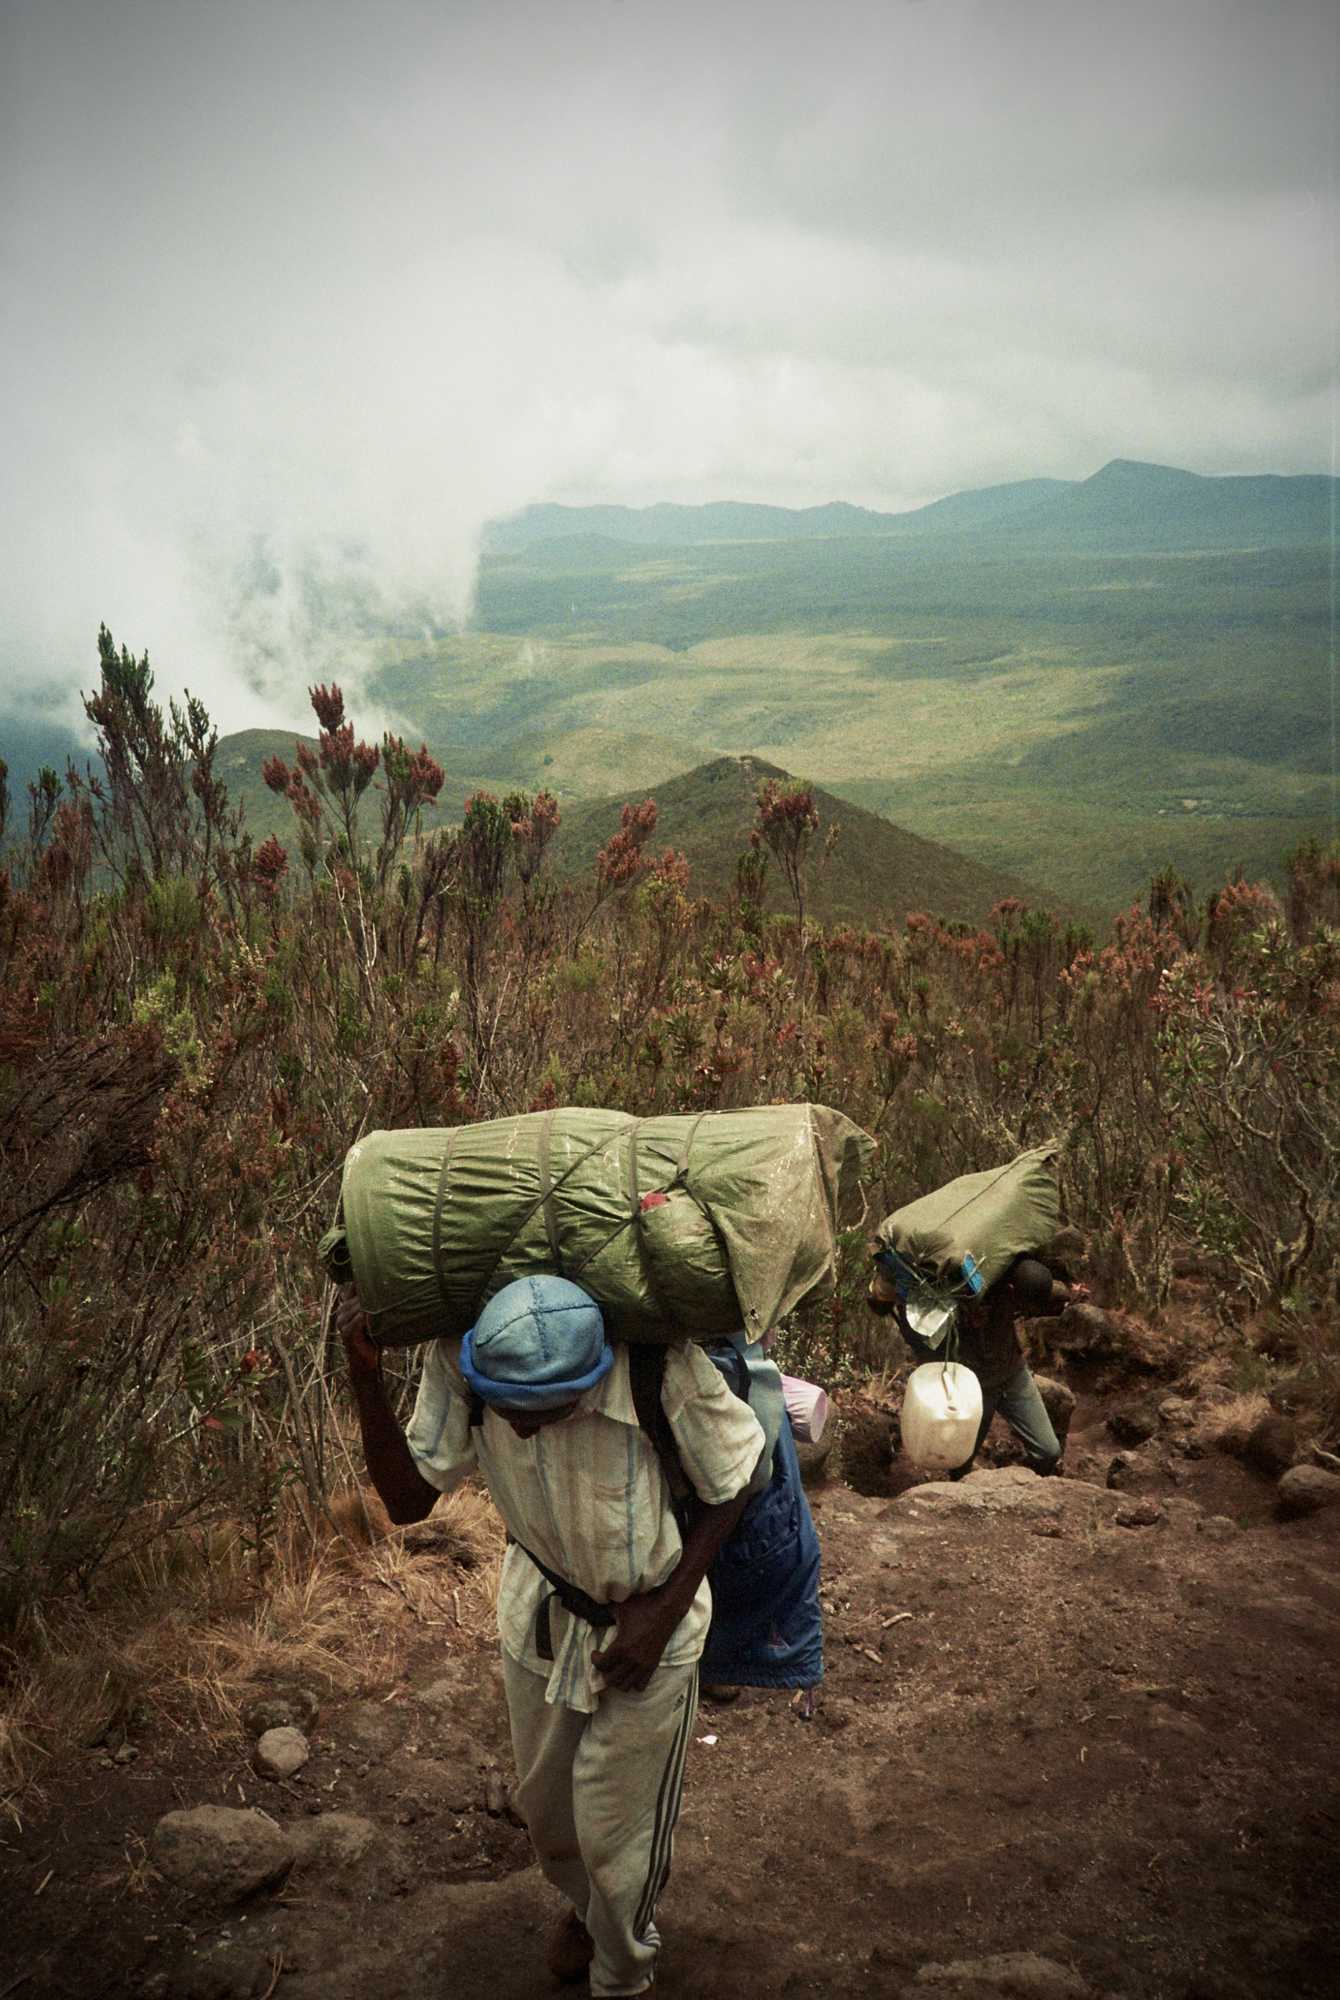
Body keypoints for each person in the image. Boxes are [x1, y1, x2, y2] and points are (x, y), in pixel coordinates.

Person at [339, 1272, 768, 1999]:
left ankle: (622, 1971)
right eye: (509, 1412)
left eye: (547, 1412)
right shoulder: (463, 1365)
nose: (524, 1429)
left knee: (620, 1834)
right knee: (549, 1815)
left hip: (653, 1630)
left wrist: (665, 1611)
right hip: (540, 1613)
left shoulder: (657, 1369)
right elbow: (409, 1501)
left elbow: (740, 1476)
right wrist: (363, 1376)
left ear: (592, 1378)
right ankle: (587, 1910)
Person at [868, 1253, 1088, 1478]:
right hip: (975, 1386)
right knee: (961, 1463)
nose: (1022, 1309)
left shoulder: (1013, 1278)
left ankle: (1021, 1483)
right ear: (1011, 1289)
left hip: (1013, 1374)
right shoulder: (966, 1290)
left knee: (1048, 1451)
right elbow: (919, 1329)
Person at [695, 1334, 823, 1715]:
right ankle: (721, 1660)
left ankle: (718, 1659)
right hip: (741, 1378)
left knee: (735, 1527)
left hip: (734, 1383)